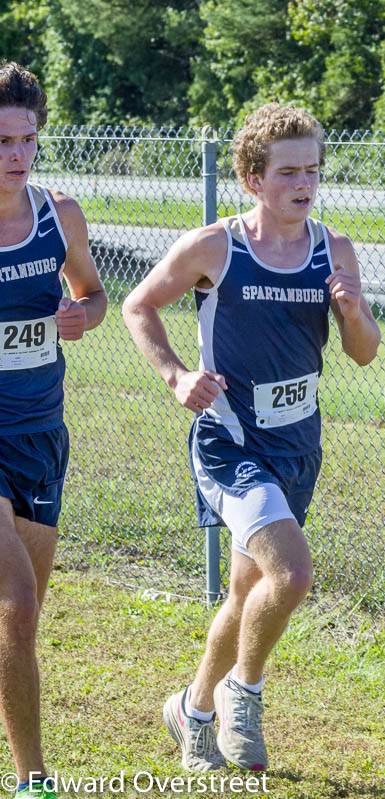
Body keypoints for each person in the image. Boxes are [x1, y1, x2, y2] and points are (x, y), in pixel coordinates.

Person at [122, 103, 380, 772]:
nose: (304, 183)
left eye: (313, 170)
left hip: (299, 443)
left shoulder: (335, 250)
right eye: (288, 171)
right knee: (290, 575)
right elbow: (138, 304)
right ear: (251, 177)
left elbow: (364, 352)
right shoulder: (217, 247)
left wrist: (351, 310)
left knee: (246, 594)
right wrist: (176, 373)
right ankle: (246, 692)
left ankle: (193, 709)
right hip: (230, 442)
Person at [0, 62, 108, 799]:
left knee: (20, 619)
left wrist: (81, 314)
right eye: (3, 140)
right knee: (19, 601)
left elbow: (95, 295)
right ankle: (34, 778)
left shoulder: (58, 214)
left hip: (41, 431)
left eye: (27, 139)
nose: (17, 155)